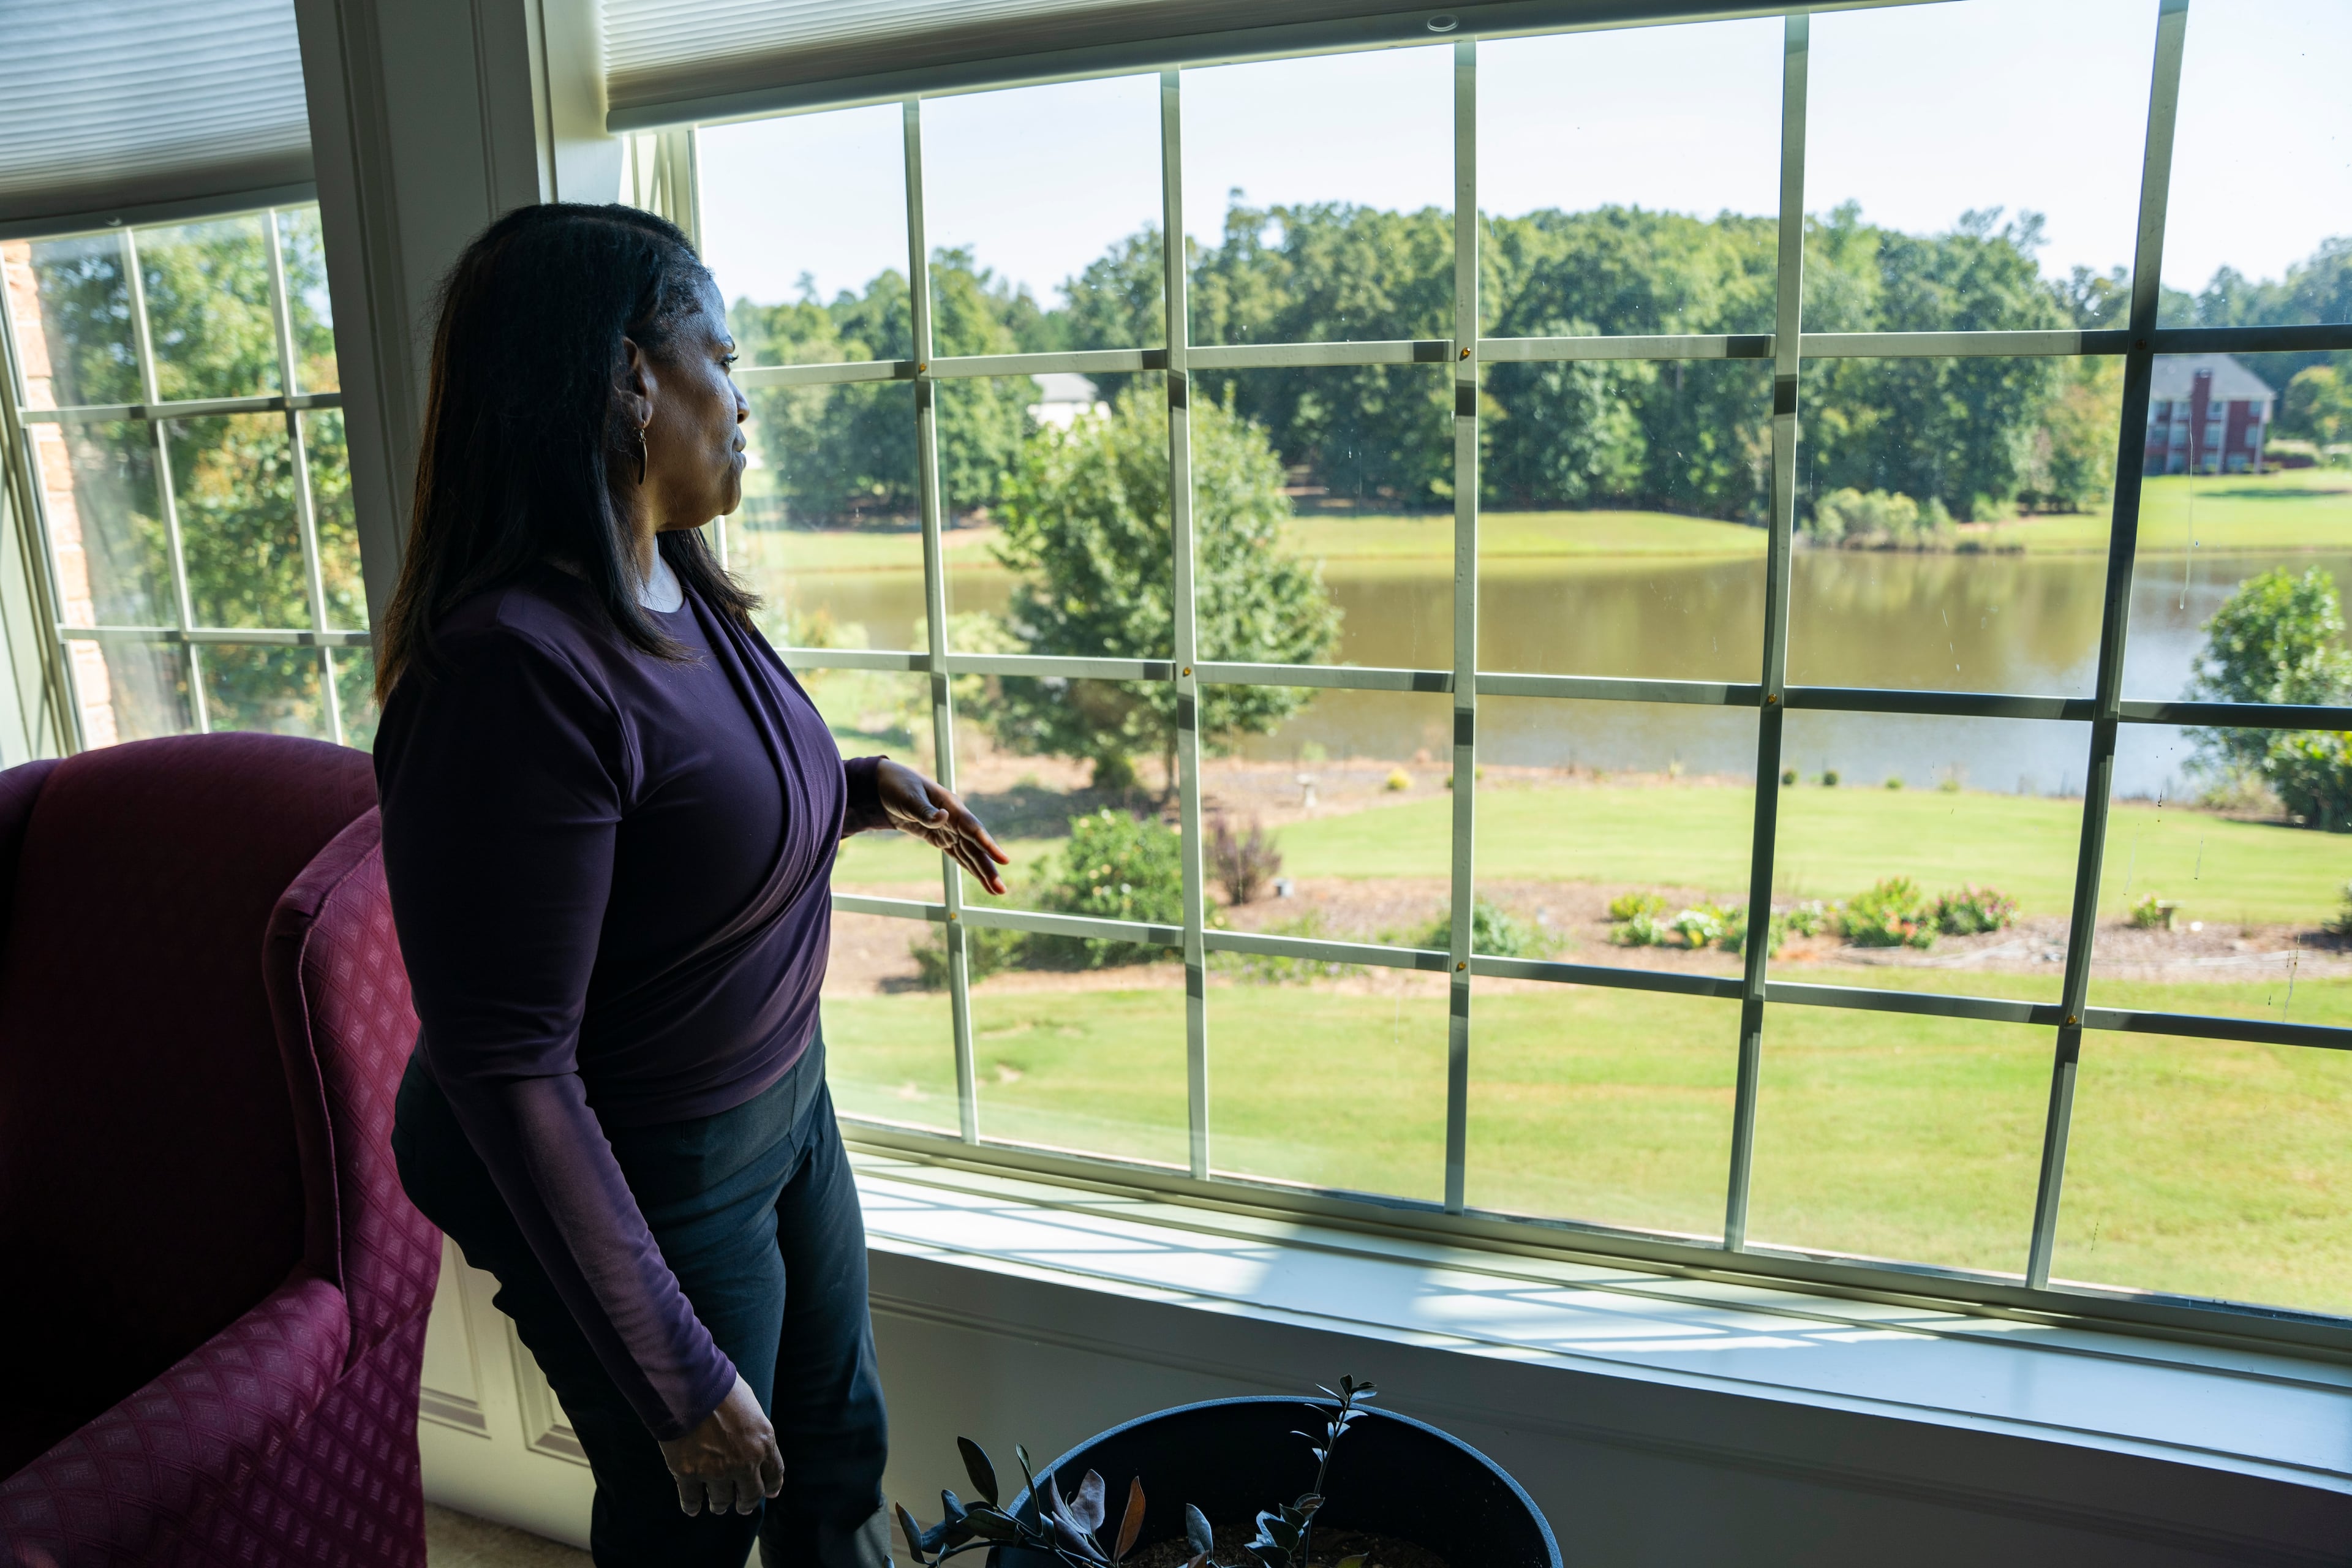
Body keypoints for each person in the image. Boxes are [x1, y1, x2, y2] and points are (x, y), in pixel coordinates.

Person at [379, 202, 1008, 1567]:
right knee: (704, 1505)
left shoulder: (674, 581)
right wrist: (672, 1369)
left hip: (783, 1102)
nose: (743, 396)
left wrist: (855, 787)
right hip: (650, 1157)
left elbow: (672, 830)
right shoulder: (509, 674)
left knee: (832, 1450)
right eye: (720, 354)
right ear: (626, 376)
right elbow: (509, 1064)